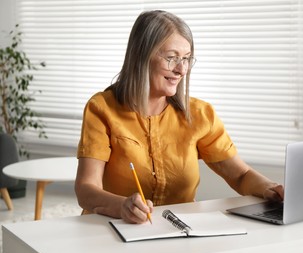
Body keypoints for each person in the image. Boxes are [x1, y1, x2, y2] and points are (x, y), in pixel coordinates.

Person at [75, 10, 284, 224]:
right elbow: (86, 190)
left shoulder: (200, 114)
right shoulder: (101, 107)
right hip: (109, 228)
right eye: (172, 58)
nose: (181, 69)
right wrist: (122, 207)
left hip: (177, 230)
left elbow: (240, 175)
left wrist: (271, 188)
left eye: (186, 59)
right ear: (141, 55)